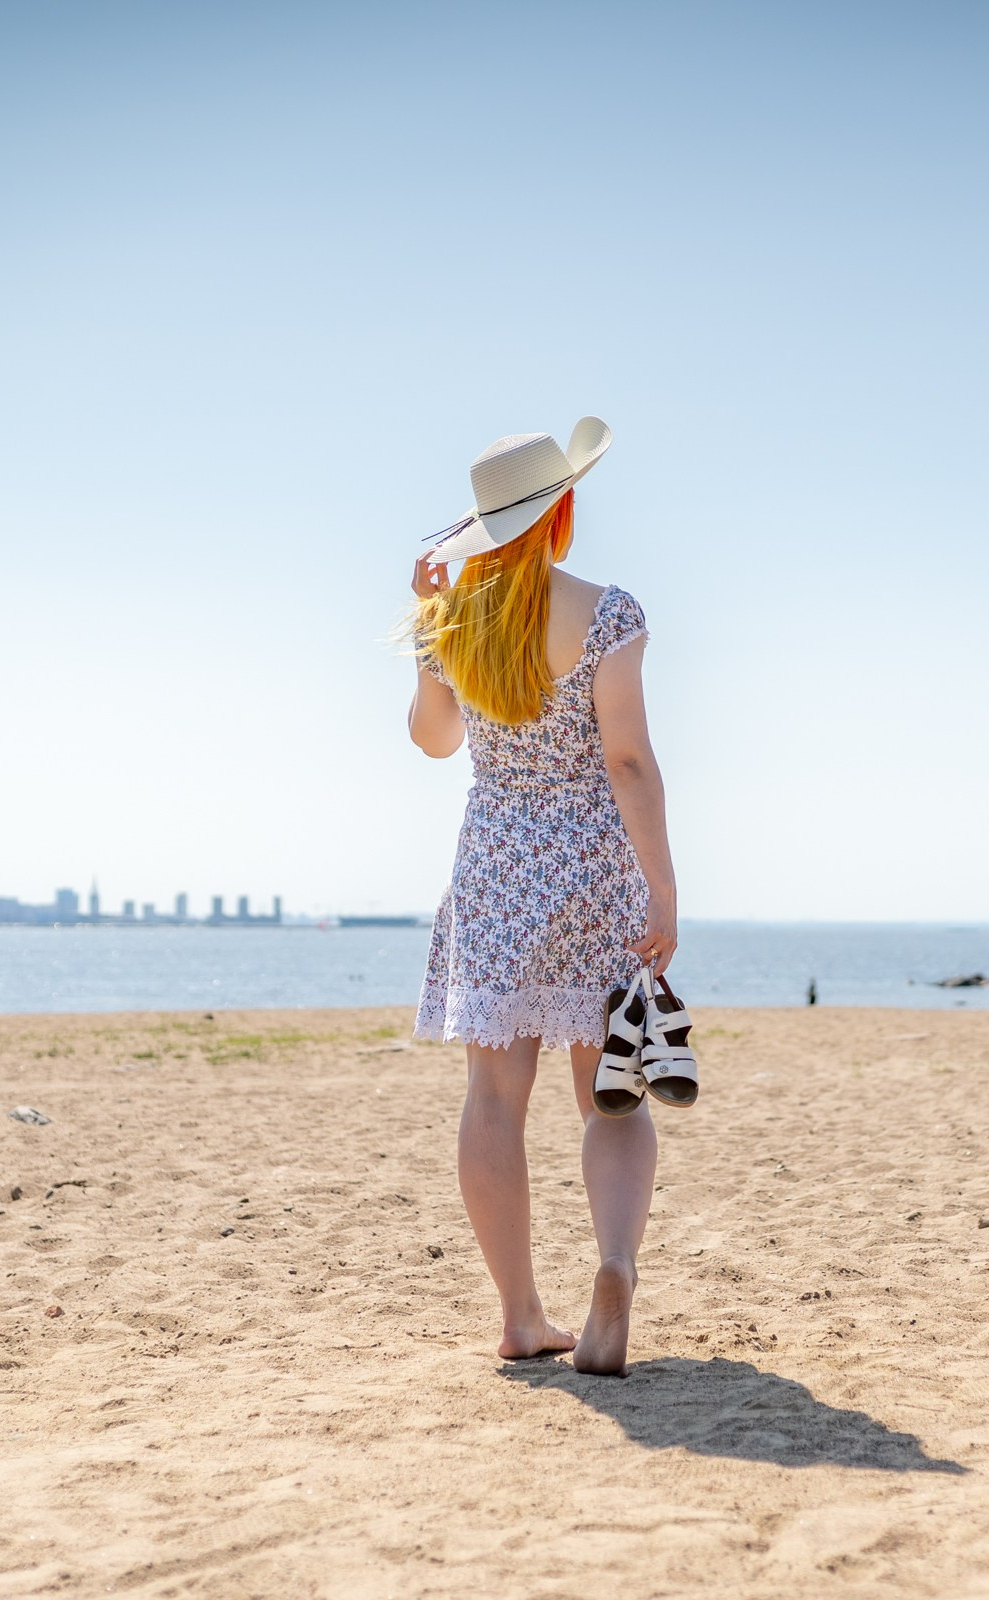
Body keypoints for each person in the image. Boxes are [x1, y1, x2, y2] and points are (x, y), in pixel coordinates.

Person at [405, 417, 676, 1376]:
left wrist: (432, 621)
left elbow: (434, 742)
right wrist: (663, 890)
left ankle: (523, 1316)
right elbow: (629, 760)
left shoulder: (460, 622)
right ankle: (613, 1263)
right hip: (595, 863)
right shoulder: (607, 613)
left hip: (498, 865)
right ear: (561, 510)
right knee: (611, 1094)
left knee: (492, 1096)